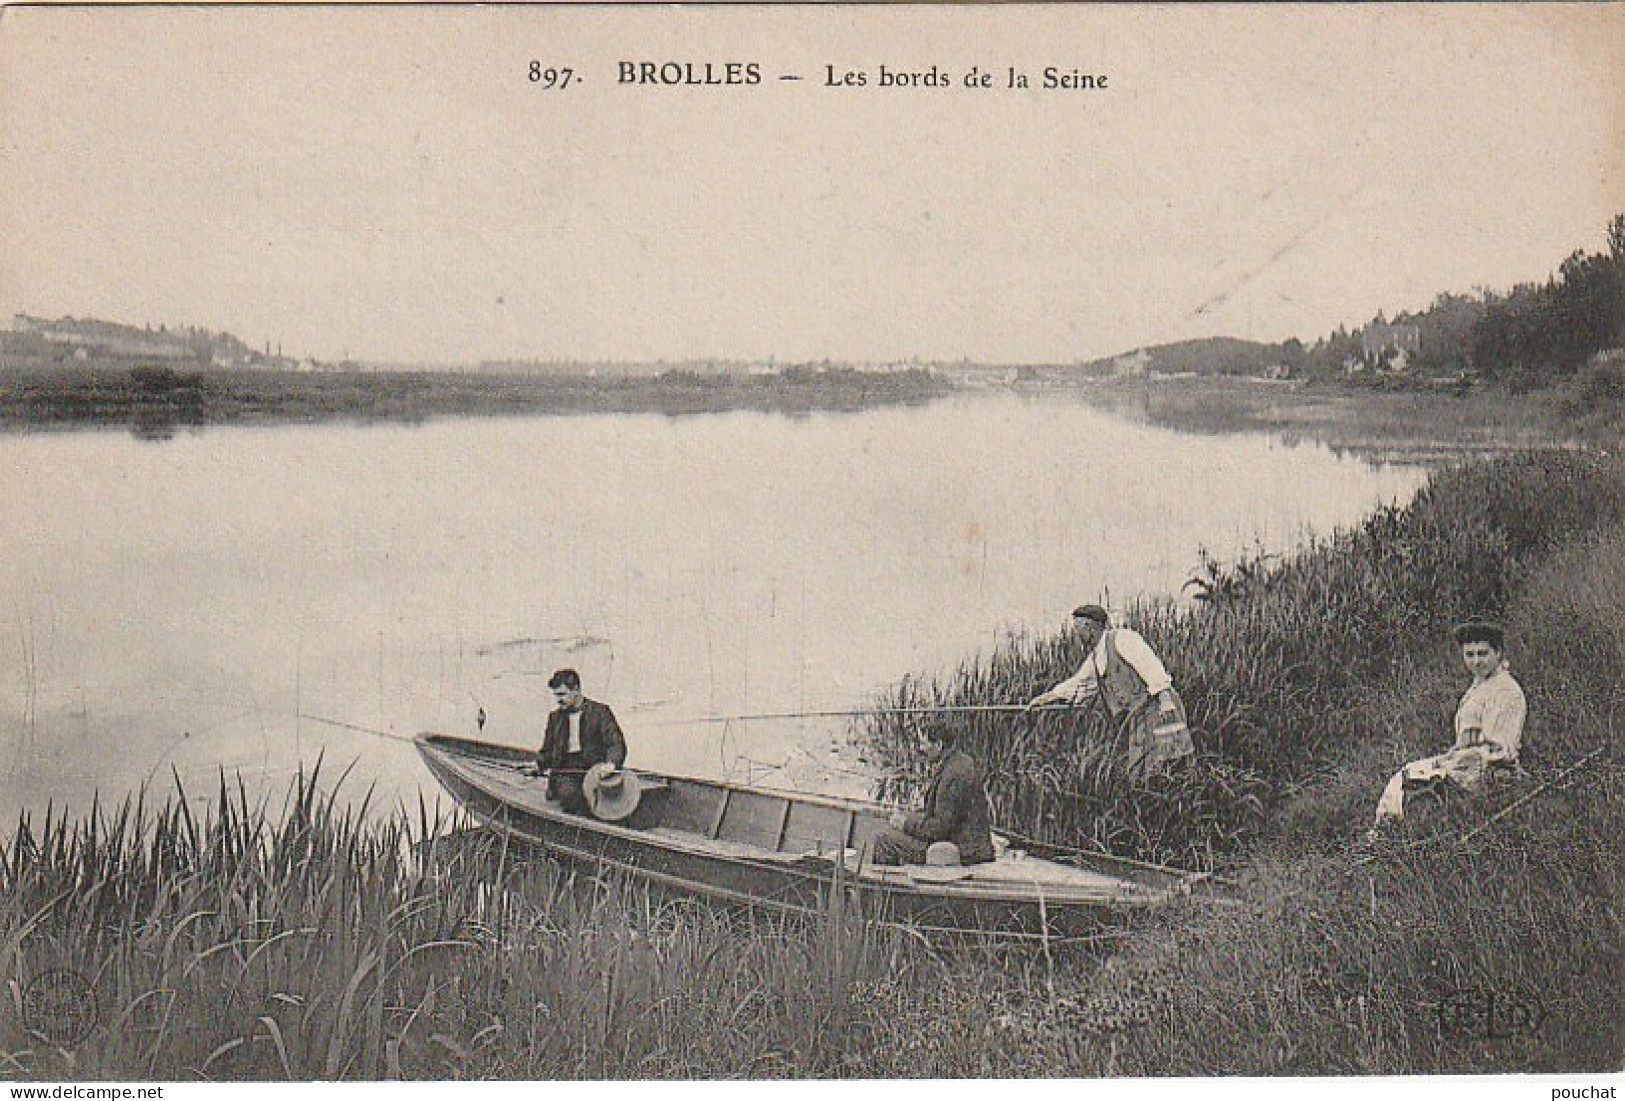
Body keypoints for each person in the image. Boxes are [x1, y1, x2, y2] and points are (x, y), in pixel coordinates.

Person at [1369, 620, 1527, 836]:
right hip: (1468, 763)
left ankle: (1398, 836)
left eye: (1483, 654)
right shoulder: (1481, 686)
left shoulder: (1505, 691)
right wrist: (1449, 757)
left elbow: (1498, 750)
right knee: (1405, 774)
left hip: (1490, 772)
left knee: (1414, 779)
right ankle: (1388, 834)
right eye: (1469, 655)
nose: (1476, 661)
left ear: (1498, 653)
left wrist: (1453, 761)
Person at [1027, 604, 1193, 779]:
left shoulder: (1123, 639)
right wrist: (1045, 699)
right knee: (1145, 770)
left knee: (1166, 765)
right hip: (1138, 716)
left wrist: (1165, 702)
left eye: (1078, 628)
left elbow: (1154, 671)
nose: (1076, 634)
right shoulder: (1096, 657)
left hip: (1159, 707)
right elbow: (1079, 684)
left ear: (1090, 628)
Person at [871, 726, 995, 867]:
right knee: (905, 820)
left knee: (884, 840)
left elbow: (940, 829)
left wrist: (905, 825)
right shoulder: (959, 762)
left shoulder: (953, 776)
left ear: (938, 745)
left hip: (961, 851)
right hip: (967, 844)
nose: (922, 749)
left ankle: (888, 885)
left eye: (924, 743)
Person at [536, 668, 628, 816]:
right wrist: (537, 765)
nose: (558, 700)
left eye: (562, 694)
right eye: (556, 695)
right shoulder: (555, 718)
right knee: (571, 797)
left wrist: (610, 764)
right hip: (565, 772)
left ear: (576, 690)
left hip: (595, 772)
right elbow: (547, 751)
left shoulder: (600, 712)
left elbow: (616, 743)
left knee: (607, 798)